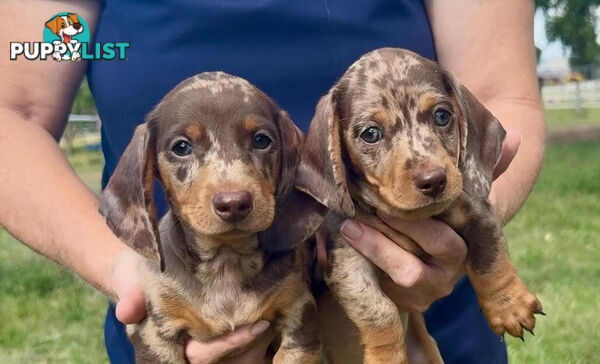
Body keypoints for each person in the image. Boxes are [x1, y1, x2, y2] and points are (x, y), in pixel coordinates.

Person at [0, 0, 545, 363]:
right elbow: (14, 109)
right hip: (185, 331)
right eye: (183, 147)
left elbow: (501, 91)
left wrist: (453, 236)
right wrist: (127, 270)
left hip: (422, 324)